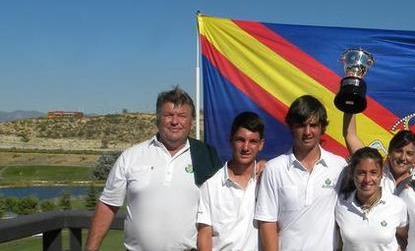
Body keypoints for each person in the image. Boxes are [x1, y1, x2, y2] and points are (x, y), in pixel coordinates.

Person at [85, 86, 221, 251]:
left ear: (191, 121)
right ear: (157, 119)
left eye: (182, 116)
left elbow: (228, 194)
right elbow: (107, 205)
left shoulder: (206, 156)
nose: (175, 121)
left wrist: (259, 167)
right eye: (168, 115)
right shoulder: (131, 157)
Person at [255, 95, 348, 251]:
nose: (307, 132)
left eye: (313, 125)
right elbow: (267, 222)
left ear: (322, 128)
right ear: (291, 127)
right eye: (301, 125)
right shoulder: (273, 169)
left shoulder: (339, 167)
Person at [196, 111, 265, 251]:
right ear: (230, 140)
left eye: (253, 141)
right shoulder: (210, 186)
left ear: (261, 144)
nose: (246, 147)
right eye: (240, 140)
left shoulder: (267, 180)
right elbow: (204, 235)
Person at [335, 147, 408, 251]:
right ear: (352, 173)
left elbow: (406, 238)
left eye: (373, 172)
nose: (367, 179)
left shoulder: (397, 205)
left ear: (381, 173)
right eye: (361, 173)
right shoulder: (340, 204)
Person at [343, 113, 415, 195]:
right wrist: (350, 109)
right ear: (390, 152)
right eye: (398, 151)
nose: (403, 158)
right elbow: (350, 135)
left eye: (409, 153)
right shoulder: (375, 172)